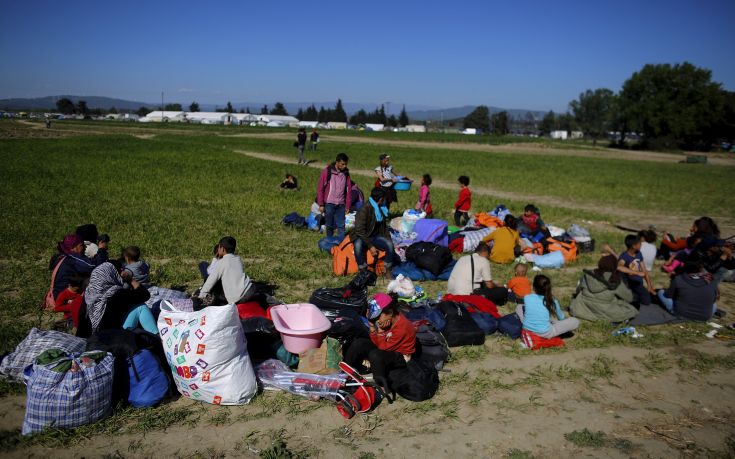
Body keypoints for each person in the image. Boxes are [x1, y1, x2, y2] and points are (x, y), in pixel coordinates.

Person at [344, 293, 416, 396]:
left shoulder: (402, 328)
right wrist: (373, 328)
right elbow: (377, 343)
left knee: (375, 355)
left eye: (378, 317)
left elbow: (381, 349)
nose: (377, 321)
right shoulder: (388, 321)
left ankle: (381, 384)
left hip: (400, 357)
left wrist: (381, 331)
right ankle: (348, 370)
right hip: (386, 349)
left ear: (390, 312)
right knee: (359, 343)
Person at [76, 261, 157, 338]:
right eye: (119, 270)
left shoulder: (89, 294)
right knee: (141, 307)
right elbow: (144, 295)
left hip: (91, 338)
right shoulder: (115, 293)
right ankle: (157, 337)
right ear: (112, 274)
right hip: (111, 338)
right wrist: (130, 280)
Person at [569, 254, 637, 323]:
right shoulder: (614, 279)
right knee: (631, 309)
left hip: (580, 307)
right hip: (604, 309)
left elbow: (578, 290)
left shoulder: (588, 274)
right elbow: (629, 298)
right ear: (615, 266)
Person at [350, 187, 398, 275]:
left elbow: (384, 229)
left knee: (389, 245)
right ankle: (363, 270)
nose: (384, 201)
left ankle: (387, 269)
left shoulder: (380, 209)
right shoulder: (364, 210)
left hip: (375, 236)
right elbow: (359, 231)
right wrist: (370, 246)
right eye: (383, 199)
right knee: (357, 245)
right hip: (362, 236)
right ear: (380, 199)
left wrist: (389, 241)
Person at [196, 236, 254, 306]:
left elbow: (210, 281)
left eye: (219, 247)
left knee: (203, 265)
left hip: (237, 298)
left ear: (222, 249)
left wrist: (201, 295)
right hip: (249, 289)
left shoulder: (222, 262)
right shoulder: (238, 259)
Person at [517, 275, 580, 339]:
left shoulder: (527, 297)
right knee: (575, 321)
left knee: (519, 306)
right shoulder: (552, 301)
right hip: (545, 333)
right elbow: (561, 318)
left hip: (527, 330)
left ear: (533, 287)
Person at [51, 233, 108, 303]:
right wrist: (102, 250)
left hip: (59, 295)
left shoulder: (64, 257)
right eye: (81, 245)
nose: (85, 247)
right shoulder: (72, 258)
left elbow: (89, 264)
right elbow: (96, 266)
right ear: (73, 248)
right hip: (65, 298)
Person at [657, 257, 717, 321]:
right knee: (714, 305)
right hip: (704, 317)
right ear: (701, 268)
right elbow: (713, 300)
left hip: (681, 313)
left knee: (661, 292)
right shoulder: (710, 280)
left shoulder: (679, 279)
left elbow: (668, 296)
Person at [316, 153, 353, 239]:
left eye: (346, 164)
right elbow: (320, 188)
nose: (344, 166)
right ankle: (329, 241)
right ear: (337, 162)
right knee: (329, 224)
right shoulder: (327, 171)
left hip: (341, 204)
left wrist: (347, 205)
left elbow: (349, 190)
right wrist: (321, 204)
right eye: (342, 164)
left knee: (341, 225)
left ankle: (340, 244)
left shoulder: (346, 173)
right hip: (329, 204)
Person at [617, 234, 655, 306]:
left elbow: (644, 271)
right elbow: (619, 267)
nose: (641, 245)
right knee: (634, 299)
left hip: (638, 282)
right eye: (640, 244)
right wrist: (636, 273)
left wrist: (649, 286)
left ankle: (633, 296)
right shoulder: (624, 256)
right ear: (634, 246)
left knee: (647, 301)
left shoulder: (638, 254)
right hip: (629, 283)